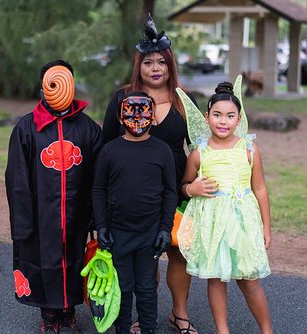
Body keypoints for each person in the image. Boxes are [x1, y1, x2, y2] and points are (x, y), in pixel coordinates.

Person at [102, 14, 199, 333]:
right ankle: (140, 315)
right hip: (132, 192)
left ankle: (179, 314)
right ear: (138, 65)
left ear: (170, 65)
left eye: (162, 62)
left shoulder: (185, 101)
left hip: (176, 189)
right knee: (142, 257)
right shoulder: (121, 98)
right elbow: (104, 146)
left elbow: (201, 147)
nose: (155, 68)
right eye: (148, 62)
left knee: (178, 253)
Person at [5, 60, 103, 334]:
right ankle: (49, 313)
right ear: (43, 87)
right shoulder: (27, 128)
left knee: (73, 259)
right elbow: (17, 177)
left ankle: (68, 309)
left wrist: (95, 215)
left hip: (75, 212)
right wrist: (22, 219)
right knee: (44, 259)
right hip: (41, 212)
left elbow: (98, 174)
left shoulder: (88, 128)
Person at [178, 81, 273, 334]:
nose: (223, 121)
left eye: (230, 116)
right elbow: (184, 185)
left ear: (239, 119)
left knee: (249, 280)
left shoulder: (250, 150)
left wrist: (267, 226)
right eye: (217, 115)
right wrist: (192, 189)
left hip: (242, 223)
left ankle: (266, 330)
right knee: (216, 279)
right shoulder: (199, 153)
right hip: (214, 225)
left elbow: (260, 188)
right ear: (207, 117)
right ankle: (223, 330)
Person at [93, 92, 176, 334]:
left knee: (147, 287)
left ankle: (148, 328)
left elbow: (170, 192)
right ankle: (122, 328)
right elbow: (98, 189)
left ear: (153, 116)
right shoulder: (109, 151)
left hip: (150, 233)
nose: (137, 117)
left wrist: (165, 228)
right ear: (120, 115)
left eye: (143, 111)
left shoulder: (162, 151)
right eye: (131, 111)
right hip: (118, 231)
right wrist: (102, 226)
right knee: (122, 286)